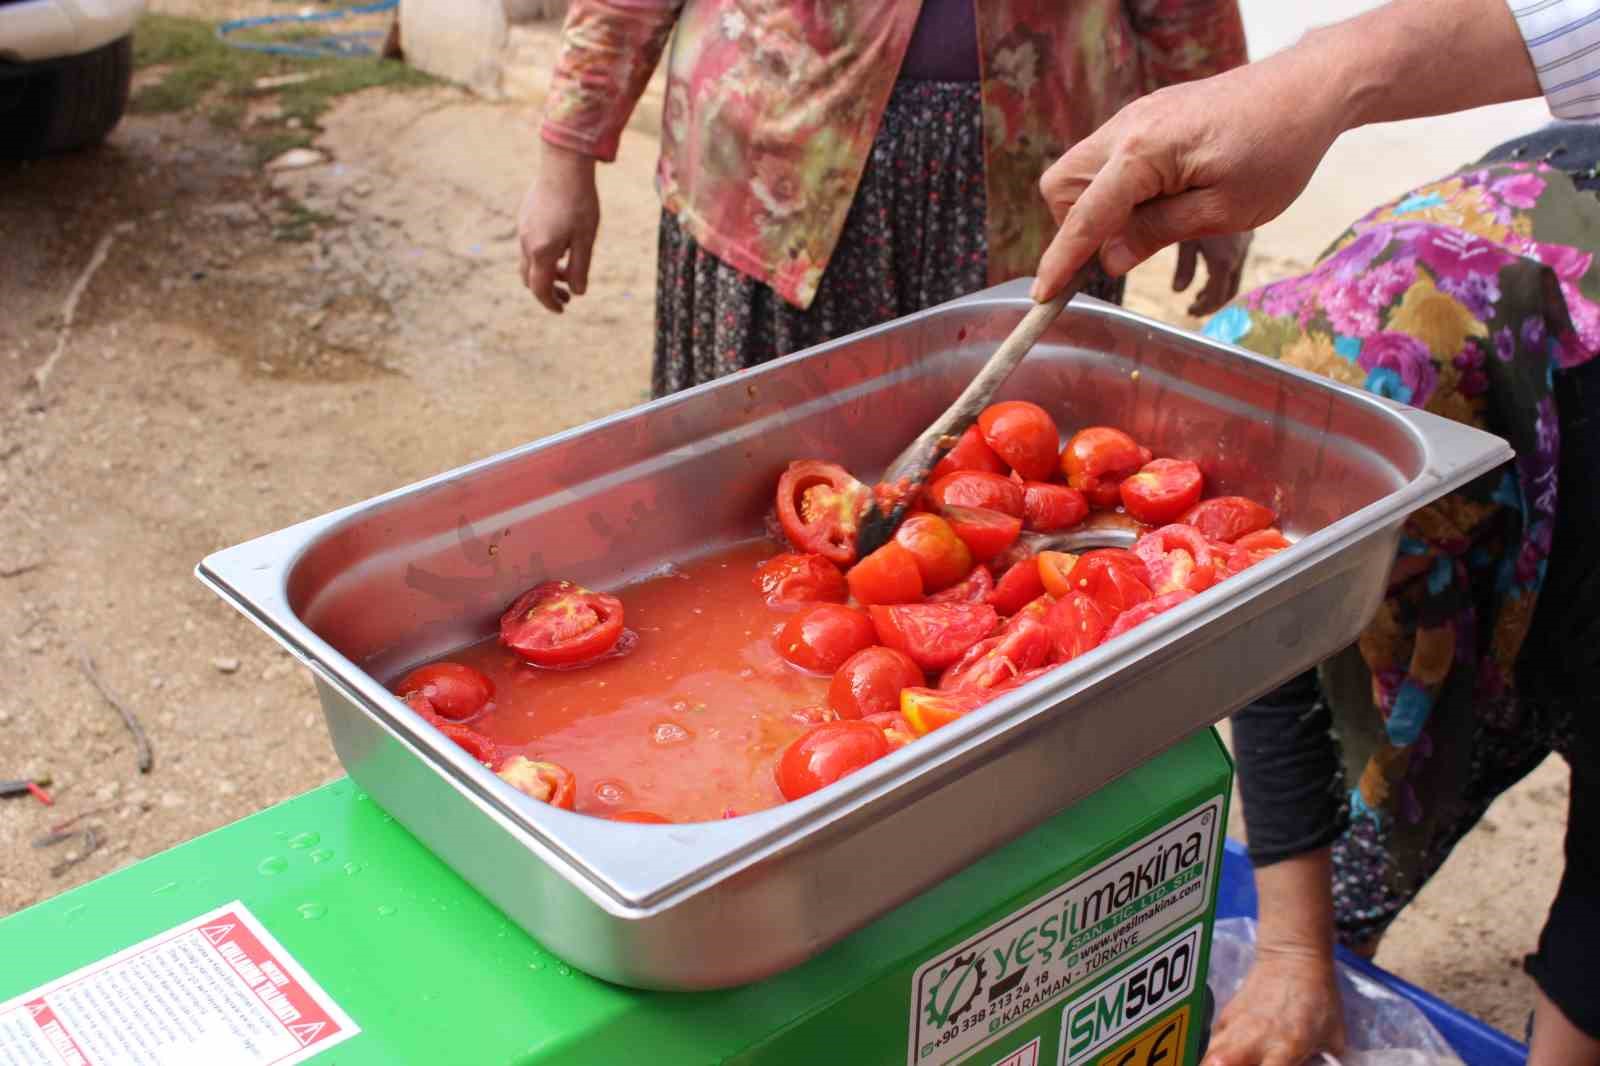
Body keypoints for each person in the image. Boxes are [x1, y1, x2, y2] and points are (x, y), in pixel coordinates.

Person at [1028, 1, 1600, 1063]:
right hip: (1509, 362)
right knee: (1352, 843)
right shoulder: (1324, 360)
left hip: (1566, 491)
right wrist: (1294, 953)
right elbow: (1270, 636)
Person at [517, 0, 1253, 398]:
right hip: (777, 182)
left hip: (1037, 181)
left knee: (1009, 490)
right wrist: (566, 153)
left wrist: (1211, 167)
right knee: (765, 490)